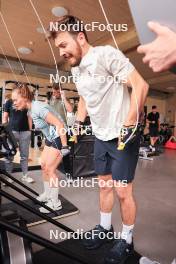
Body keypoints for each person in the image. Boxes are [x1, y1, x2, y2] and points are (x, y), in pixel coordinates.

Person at [49, 15, 149, 263]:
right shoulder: (76, 68)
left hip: (123, 137)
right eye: (58, 48)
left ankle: (126, 240)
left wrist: (129, 124)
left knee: (123, 191)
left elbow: (141, 85)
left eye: (63, 45)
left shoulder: (105, 55)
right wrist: (78, 125)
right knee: (104, 185)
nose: (61, 52)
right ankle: (105, 229)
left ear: (80, 37)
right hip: (100, 136)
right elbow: (84, 98)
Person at [11, 83, 70, 213]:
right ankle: (47, 194)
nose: (14, 103)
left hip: (59, 136)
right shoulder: (31, 109)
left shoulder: (37, 108)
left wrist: (64, 146)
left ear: (25, 97)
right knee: (43, 164)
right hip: (51, 137)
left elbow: (59, 124)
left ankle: (55, 203)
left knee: (50, 169)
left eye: (16, 100)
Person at [3, 90, 34, 184]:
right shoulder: (9, 102)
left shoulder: (25, 102)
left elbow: (29, 117)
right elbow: (5, 117)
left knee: (24, 156)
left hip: (25, 132)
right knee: (9, 155)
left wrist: (30, 130)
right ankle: (8, 177)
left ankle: (25, 176)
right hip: (12, 132)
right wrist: (6, 132)